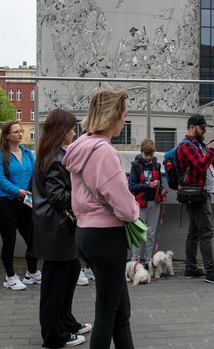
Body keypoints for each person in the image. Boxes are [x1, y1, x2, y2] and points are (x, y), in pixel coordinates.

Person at [63, 88, 139, 349]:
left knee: (120, 310)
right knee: (107, 313)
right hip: (108, 237)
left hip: (86, 233)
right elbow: (127, 209)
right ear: (114, 115)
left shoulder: (79, 147)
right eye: (124, 114)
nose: (124, 120)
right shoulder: (105, 151)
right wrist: (134, 208)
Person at [31, 108, 92, 348]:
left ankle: (65, 322)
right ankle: (54, 336)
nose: (74, 132)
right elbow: (58, 197)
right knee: (55, 285)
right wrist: (84, 191)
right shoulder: (55, 158)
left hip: (57, 229)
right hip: (56, 230)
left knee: (66, 278)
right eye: (71, 127)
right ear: (61, 130)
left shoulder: (52, 154)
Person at [176, 114, 214, 285]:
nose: (205, 131)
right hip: (195, 194)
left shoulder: (199, 145)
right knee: (206, 232)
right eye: (202, 128)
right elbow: (200, 166)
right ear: (192, 127)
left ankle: (190, 268)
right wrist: (212, 148)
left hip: (200, 193)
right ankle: (211, 272)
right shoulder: (186, 146)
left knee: (194, 232)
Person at [0, 120, 39, 291]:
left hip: (26, 203)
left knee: (33, 239)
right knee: (9, 241)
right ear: (7, 135)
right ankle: (9, 277)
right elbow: (1, 181)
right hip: (6, 204)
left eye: (21, 131)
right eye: (16, 131)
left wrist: (32, 192)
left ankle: (32, 273)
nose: (20, 134)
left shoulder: (27, 153)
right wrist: (19, 191)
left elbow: (35, 174)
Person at [129, 138, 168, 267]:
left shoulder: (156, 165)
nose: (148, 158)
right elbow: (132, 187)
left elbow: (159, 184)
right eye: (146, 155)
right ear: (141, 152)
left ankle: (148, 260)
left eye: (151, 155)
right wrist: (149, 186)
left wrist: (161, 190)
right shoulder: (135, 165)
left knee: (151, 233)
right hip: (140, 203)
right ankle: (135, 261)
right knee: (139, 232)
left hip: (154, 202)